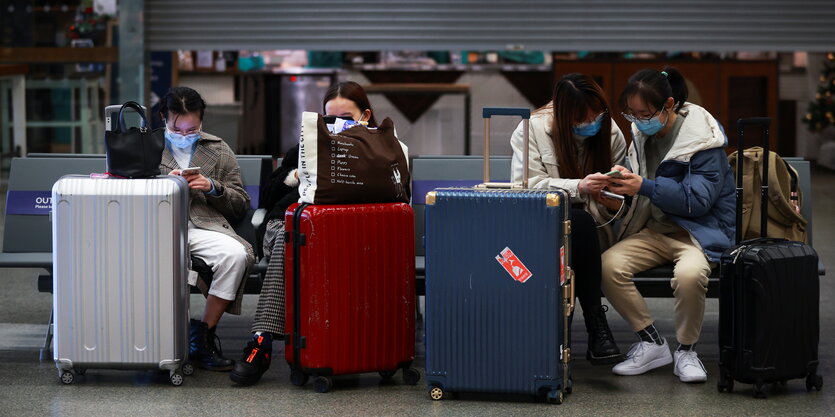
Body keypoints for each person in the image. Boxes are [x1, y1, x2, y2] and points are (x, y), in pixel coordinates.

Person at [231, 81, 377, 385]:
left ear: (365, 116)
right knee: (292, 240)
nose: (336, 125)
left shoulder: (379, 152)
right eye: (328, 119)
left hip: (342, 232)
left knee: (300, 242)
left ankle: (276, 341)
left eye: (345, 118)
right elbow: (268, 197)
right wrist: (297, 174)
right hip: (287, 224)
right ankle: (262, 340)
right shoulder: (303, 148)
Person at [601, 67, 735, 383]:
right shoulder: (643, 135)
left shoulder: (704, 141)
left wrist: (643, 186)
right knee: (607, 266)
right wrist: (616, 191)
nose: (637, 121)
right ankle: (652, 342)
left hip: (698, 232)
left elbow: (698, 201)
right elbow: (642, 190)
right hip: (656, 230)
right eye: (631, 113)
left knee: (689, 275)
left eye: (644, 113)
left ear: (669, 105)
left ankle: (686, 352)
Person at [510, 73, 627, 365]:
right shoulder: (530, 130)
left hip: (595, 229)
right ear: (564, 115)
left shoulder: (610, 133)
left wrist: (611, 197)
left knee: (581, 224)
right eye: (581, 120)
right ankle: (595, 322)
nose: (592, 124)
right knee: (577, 222)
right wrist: (578, 187)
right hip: (540, 228)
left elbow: (625, 202)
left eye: (596, 116)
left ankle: (558, 338)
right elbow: (525, 187)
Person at [157, 86, 254, 372]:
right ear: (164, 118)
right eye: (177, 128)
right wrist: (162, 184)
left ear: (201, 122)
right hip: (154, 227)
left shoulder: (218, 149)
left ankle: (202, 335)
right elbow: (120, 188)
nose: (184, 135)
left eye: (192, 129)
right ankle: (155, 337)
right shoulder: (145, 147)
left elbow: (240, 205)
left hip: (202, 226)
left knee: (236, 255)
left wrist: (213, 187)